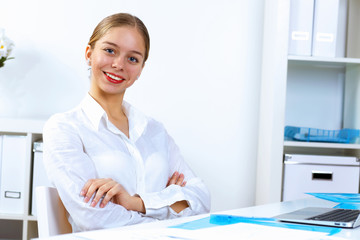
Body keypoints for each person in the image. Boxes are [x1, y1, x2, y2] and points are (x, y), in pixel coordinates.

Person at [42, 13, 211, 232]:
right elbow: (94, 218)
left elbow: (202, 199)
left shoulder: (154, 130)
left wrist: (137, 203)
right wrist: (170, 206)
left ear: (141, 69)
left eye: (132, 58)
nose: (119, 64)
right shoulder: (64, 128)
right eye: (110, 50)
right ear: (89, 54)